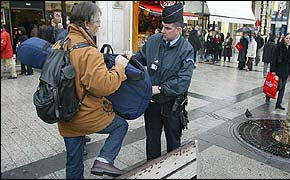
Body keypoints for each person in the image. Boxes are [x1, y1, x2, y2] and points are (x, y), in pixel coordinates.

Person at [57, 2, 130, 178]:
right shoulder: (88, 52)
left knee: (73, 161)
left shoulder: (61, 43)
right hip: (84, 114)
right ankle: (104, 160)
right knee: (121, 125)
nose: (99, 25)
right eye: (97, 21)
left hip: (64, 114)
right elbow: (104, 86)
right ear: (86, 24)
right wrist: (119, 67)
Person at [131, 3, 194, 161]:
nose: (162, 31)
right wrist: (129, 58)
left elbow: (183, 81)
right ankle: (152, 170)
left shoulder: (186, 49)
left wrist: (161, 88)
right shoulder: (153, 41)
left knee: (173, 142)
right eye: (162, 26)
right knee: (152, 141)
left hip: (172, 105)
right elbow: (139, 59)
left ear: (178, 30)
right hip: (151, 104)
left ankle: (174, 170)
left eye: (167, 28)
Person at [266, 33, 290, 109]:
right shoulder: (279, 47)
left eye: (289, 38)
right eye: (287, 38)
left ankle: (278, 103)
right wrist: (273, 70)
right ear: (284, 38)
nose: (288, 39)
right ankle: (268, 95)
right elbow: (274, 59)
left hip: (286, 71)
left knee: (283, 88)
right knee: (278, 87)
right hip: (278, 70)